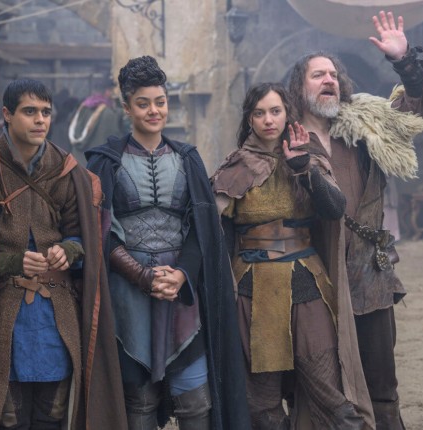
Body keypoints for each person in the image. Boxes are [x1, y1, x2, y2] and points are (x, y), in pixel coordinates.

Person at [0, 78, 127, 430]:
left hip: (56, 318)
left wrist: (68, 249)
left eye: (45, 112)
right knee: (7, 418)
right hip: (0, 315)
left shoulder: (66, 170)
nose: (39, 120)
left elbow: (80, 233)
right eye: (29, 111)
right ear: (7, 114)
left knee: (52, 417)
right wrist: (12, 261)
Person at [287, 10, 423, 429]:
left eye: (333, 74)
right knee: (321, 385)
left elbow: (416, 108)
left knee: (381, 384)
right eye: (318, 75)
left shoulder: (365, 125)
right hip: (314, 276)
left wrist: (404, 62)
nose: (329, 80)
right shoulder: (285, 139)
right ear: (299, 87)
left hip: (368, 274)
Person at [86, 55, 251, 430]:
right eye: (143, 103)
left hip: (182, 292)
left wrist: (180, 275)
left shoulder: (187, 159)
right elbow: (100, 230)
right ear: (127, 107)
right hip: (127, 294)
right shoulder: (105, 162)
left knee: (195, 399)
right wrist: (141, 276)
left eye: (159, 102)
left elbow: (201, 228)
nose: (153, 111)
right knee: (139, 400)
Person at [211, 82, 373, 429]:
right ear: (250, 119)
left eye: (275, 111)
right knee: (261, 402)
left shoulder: (307, 158)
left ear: (287, 115)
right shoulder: (236, 167)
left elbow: (334, 210)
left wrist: (305, 169)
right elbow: (220, 236)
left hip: (306, 283)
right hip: (253, 290)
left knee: (328, 391)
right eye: (259, 113)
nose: (268, 120)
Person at [68, 75, 126, 165]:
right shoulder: (109, 113)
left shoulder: (82, 108)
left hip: (79, 165)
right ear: (107, 92)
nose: (113, 93)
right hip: (97, 167)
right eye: (112, 90)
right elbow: (117, 141)